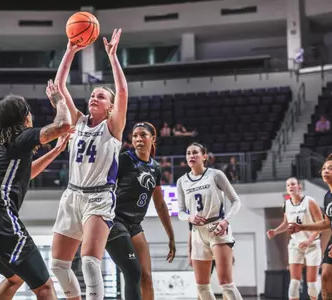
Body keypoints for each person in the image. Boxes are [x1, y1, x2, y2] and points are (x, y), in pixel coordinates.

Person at [0, 80, 72, 300]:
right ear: (25, 118)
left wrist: (56, 152)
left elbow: (25, 174)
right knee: (45, 287)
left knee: (14, 278)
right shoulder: (22, 137)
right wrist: (59, 100)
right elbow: (63, 126)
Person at [51, 28, 128, 300]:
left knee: (90, 263)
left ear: (110, 107)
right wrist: (70, 51)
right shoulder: (79, 121)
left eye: (102, 96)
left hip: (99, 198)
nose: (95, 97)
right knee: (58, 266)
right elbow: (60, 87)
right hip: (72, 195)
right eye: (93, 95)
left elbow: (121, 90)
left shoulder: (113, 126)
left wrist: (113, 57)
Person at [105, 122, 176, 300]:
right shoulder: (125, 159)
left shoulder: (156, 168)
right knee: (133, 273)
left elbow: (160, 205)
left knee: (146, 276)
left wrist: (171, 237)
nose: (138, 139)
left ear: (152, 139)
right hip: (116, 220)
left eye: (143, 135)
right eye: (135, 135)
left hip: (135, 225)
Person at [177, 143, 243, 300]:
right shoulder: (181, 181)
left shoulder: (215, 174)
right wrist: (189, 217)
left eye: (195, 153)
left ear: (204, 156)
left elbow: (236, 201)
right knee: (201, 286)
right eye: (188, 153)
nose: (191, 156)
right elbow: (180, 212)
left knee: (225, 283)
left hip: (217, 228)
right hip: (197, 233)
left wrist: (226, 221)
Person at [267, 178, 323, 300]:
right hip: (295, 245)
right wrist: (275, 231)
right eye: (287, 185)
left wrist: (309, 240)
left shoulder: (310, 202)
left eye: (293, 184)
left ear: (299, 186)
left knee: (312, 286)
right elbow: (286, 223)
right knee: (293, 285)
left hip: (312, 244)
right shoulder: (286, 204)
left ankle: (318, 283)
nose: (290, 187)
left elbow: (321, 225)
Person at [289, 154, 332, 300]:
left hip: (317, 245)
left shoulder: (310, 201)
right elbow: (326, 223)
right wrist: (301, 227)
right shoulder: (328, 196)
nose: (326, 171)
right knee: (326, 275)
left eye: (330, 168)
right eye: (324, 168)